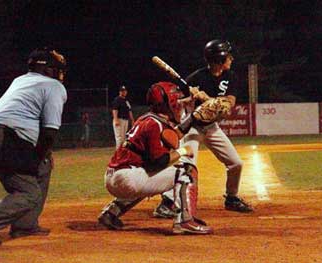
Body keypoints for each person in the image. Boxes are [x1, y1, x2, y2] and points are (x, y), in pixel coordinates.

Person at [0, 47, 67, 248]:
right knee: (29, 193)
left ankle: (25, 225)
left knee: (43, 166)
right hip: (3, 139)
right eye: (55, 68)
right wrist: (37, 157)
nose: (59, 72)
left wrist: (40, 158)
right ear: (47, 70)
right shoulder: (54, 86)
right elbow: (49, 131)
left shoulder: (21, 80)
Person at [153, 39, 253, 219]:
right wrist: (187, 99)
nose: (231, 59)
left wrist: (207, 99)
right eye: (228, 56)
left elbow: (227, 106)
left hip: (211, 127)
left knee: (236, 163)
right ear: (219, 59)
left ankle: (231, 198)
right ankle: (166, 203)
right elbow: (173, 101)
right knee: (187, 165)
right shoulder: (197, 78)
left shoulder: (230, 77)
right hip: (191, 128)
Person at [97, 82, 213, 235]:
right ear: (166, 104)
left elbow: (171, 135)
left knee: (147, 174)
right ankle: (185, 220)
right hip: (127, 178)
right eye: (175, 101)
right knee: (187, 170)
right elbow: (160, 162)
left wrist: (192, 119)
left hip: (114, 176)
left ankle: (111, 213)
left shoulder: (148, 119)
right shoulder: (155, 124)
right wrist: (183, 151)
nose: (178, 105)